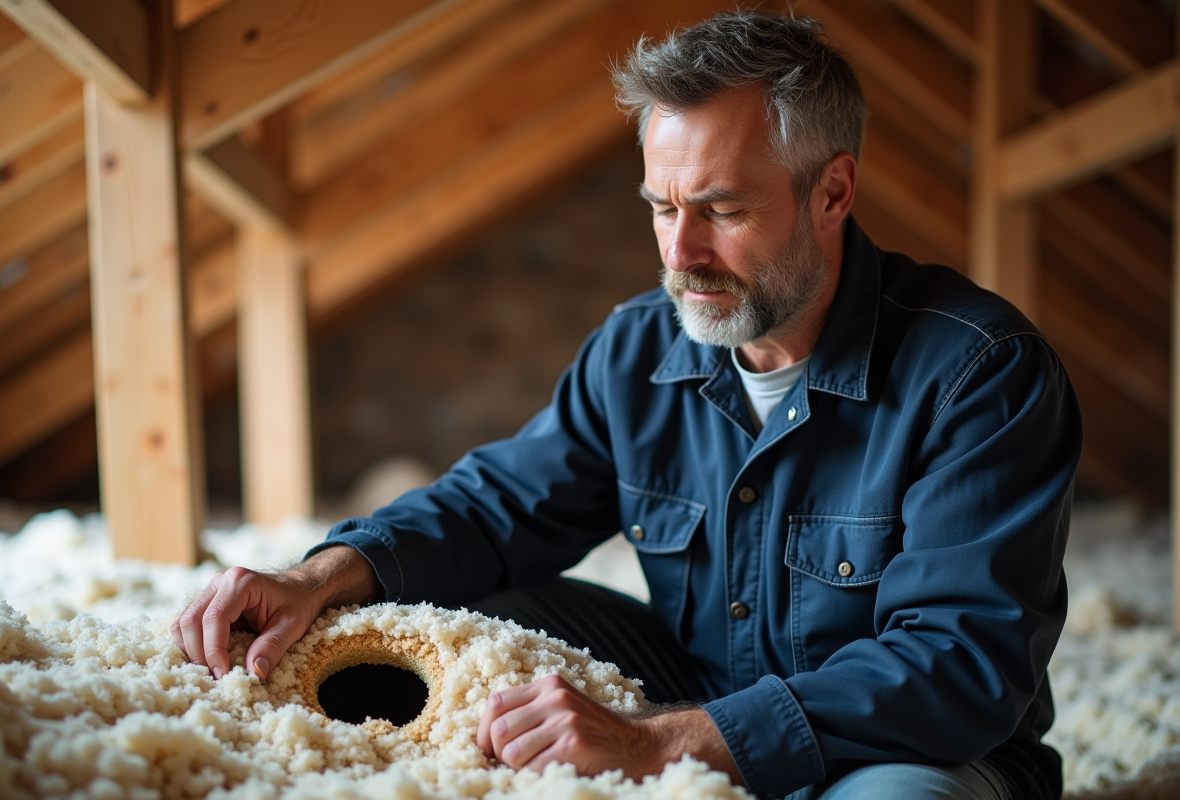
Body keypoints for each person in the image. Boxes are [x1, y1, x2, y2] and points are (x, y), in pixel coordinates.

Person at [173, 11, 1081, 800]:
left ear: (832, 192)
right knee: (443, 606)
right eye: (661, 206)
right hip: (692, 678)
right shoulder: (640, 345)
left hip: (907, 749)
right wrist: (313, 578)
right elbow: (498, 507)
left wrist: (661, 744)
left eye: (722, 209)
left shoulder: (980, 372)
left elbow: (959, 664)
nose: (681, 252)